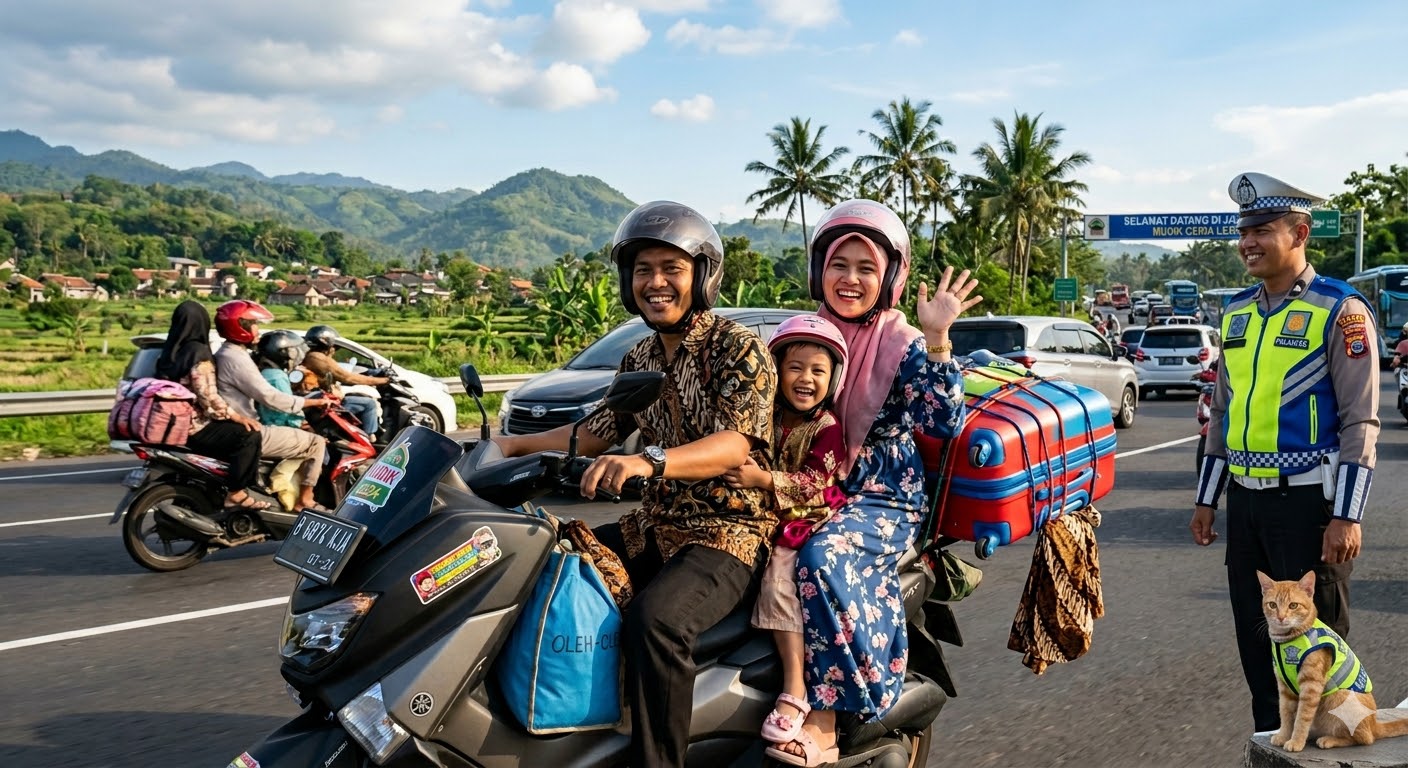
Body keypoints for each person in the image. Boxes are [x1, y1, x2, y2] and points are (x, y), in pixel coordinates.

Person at [490, 201, 777, 768]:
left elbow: (737, 442)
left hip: (728, 532)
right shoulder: (641, 355)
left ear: (702, 274)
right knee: (548, 563)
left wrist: (649, 461)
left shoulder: (736, 348)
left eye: (672, 268)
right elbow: (597, 431)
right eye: (643, 269)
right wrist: (507, 445)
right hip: (656, 526)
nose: (656, 282)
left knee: (657, 620)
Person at [778, 200, 980, 765]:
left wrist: (938, 335)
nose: (850, 279)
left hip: (880, 495)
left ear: (888, 276)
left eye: (866, 267)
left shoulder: (903, 342)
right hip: (809, 481)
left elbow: (942, 421)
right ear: (820, 268)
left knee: (817, 556)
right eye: (839, 264)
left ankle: (824, 722)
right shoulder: (807, 333)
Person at [1190, 172, 1381, 733]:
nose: (1247, 242)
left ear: (1299, 233)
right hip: (1246, 509)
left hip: (1308, 510)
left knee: (1319, 658)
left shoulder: (1340, 310)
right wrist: (1207, 501)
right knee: (1261, 655)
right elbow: (1222, 413)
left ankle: (1328, 748)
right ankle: (1272, 749)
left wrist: (1347, 514)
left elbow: (1361, 419)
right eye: (1243, 230)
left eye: (1261, 230)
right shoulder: (1237, 312)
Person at [721, 314, 849, 752]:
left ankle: (795, 689)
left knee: (778, 581)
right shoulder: (765, 415)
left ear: (833, 380)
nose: (805, 379)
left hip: (805, 516)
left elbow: (815, 484)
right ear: (774, 371)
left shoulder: (828, 428)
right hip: (762, 513)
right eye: (794, 368)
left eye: (818, 370)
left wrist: (763, 480)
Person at [212, 300, 335, 513]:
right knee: (316, 443)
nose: (257, 329)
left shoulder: (228, 353)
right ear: (240, 326)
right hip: (250, 428)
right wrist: (313, 402)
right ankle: (305, 500)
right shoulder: (237, 358)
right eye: (253, 324)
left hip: (238, 425)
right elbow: (271, 397)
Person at [152, 300, 266, 518]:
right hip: (195, 427)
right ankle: (236, 492)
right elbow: (208, 397)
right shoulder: (199, 353)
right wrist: (236, 416)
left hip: (172, 427)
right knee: (249, 436)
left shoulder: (168, 353)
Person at [301, 325, 388, 437]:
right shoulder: (317, 357)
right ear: (326, 342)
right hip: (323, 404)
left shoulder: (310, 355)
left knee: (357, 396)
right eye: (334, 346)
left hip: (318, 400)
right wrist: (383, 381)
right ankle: (370, 438)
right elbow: (347, 377)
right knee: (369, 403)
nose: (334, 349)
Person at [254, 330, 313, 429]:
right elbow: (287, 408)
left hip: (268, 424)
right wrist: (299, 422)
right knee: (317, 440)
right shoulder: (277, 377)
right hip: (276, 427)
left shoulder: (266, 372)